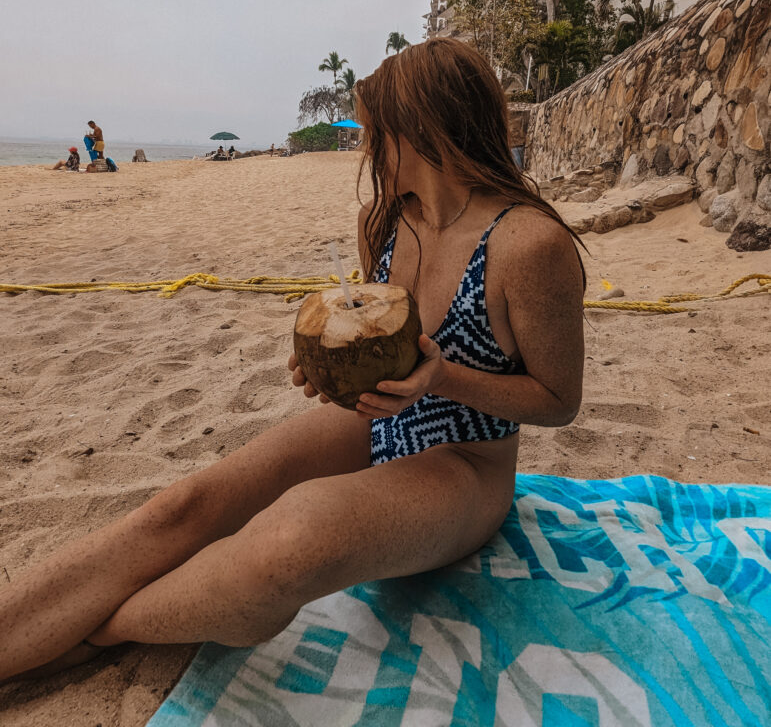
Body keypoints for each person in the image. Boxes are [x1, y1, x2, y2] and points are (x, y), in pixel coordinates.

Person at [0, 38, 585, 683]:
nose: (366, 147)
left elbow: (559, 401)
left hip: (467, 463)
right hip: (374, 422)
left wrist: (443, 378)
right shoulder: (387, 220)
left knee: (290, 541)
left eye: (375, 131)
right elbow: (379, 345)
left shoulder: (530, 245)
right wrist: (329, 367)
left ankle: (101, 632)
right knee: (184, 508)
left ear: (420, 129)